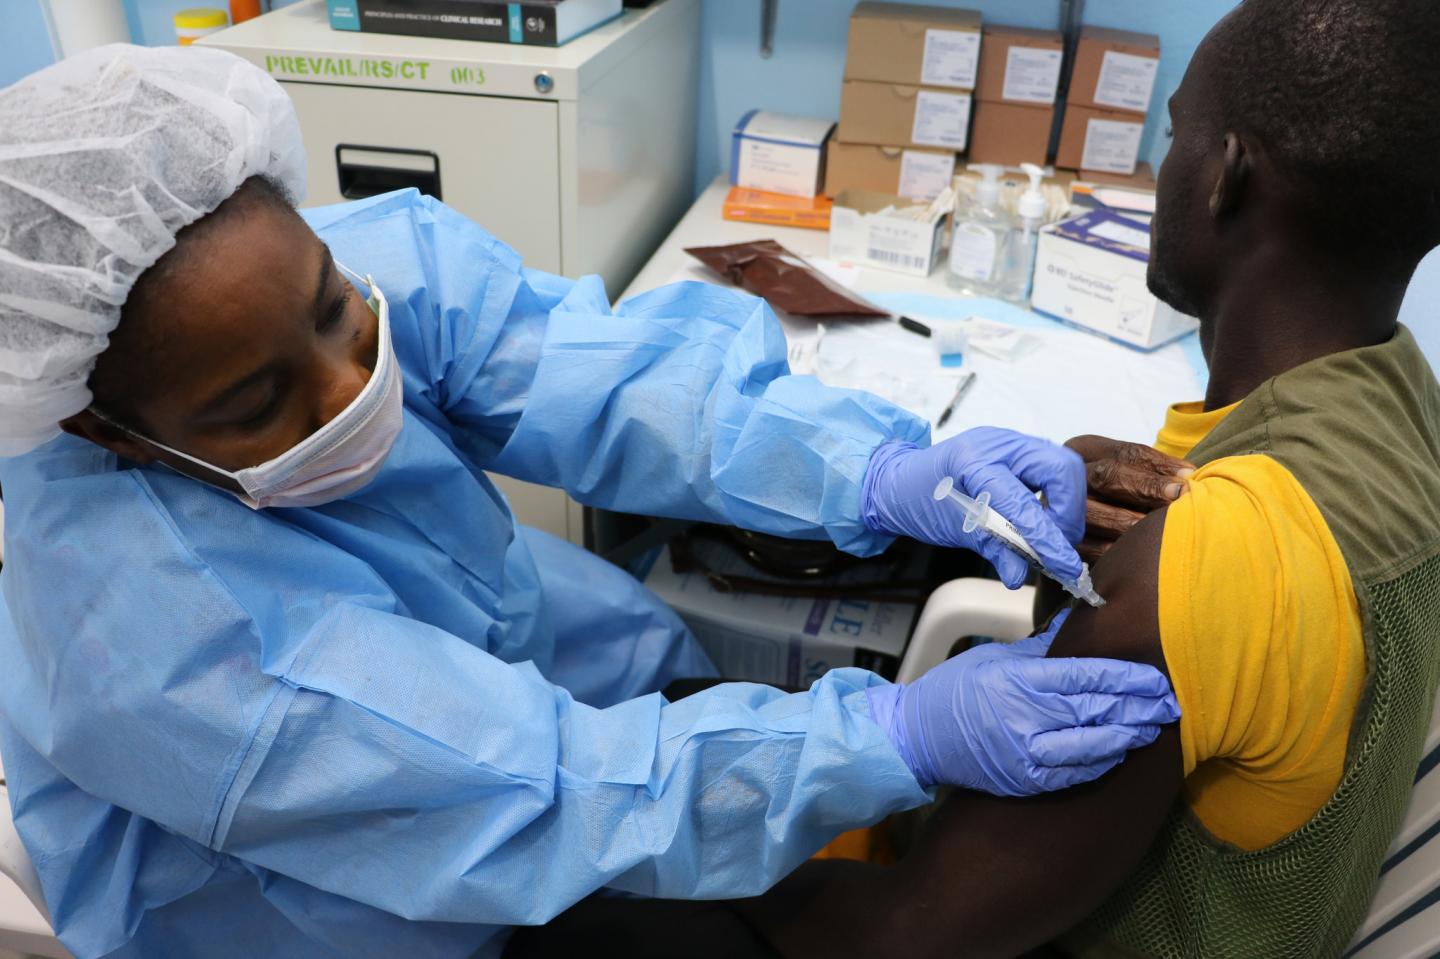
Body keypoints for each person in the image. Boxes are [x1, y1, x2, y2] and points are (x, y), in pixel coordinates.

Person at [0, 46, 1179, 959]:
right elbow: (528, 789)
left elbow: (595, 374)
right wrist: (900, 732)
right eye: (262, 399)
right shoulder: (152, 643)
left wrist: (878, 470)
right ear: (105, 428)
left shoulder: (289, 264)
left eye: (333, 313)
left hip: (533, 699)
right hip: (344, 904)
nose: (354, 385)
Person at [506, 0, 1440, 956]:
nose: (1163, 173)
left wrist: (636, 874)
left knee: (566, 916)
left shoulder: (1209, 566)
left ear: (1227, 178)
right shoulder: (1401, 399)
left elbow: (902, 936)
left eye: (1174, 139)